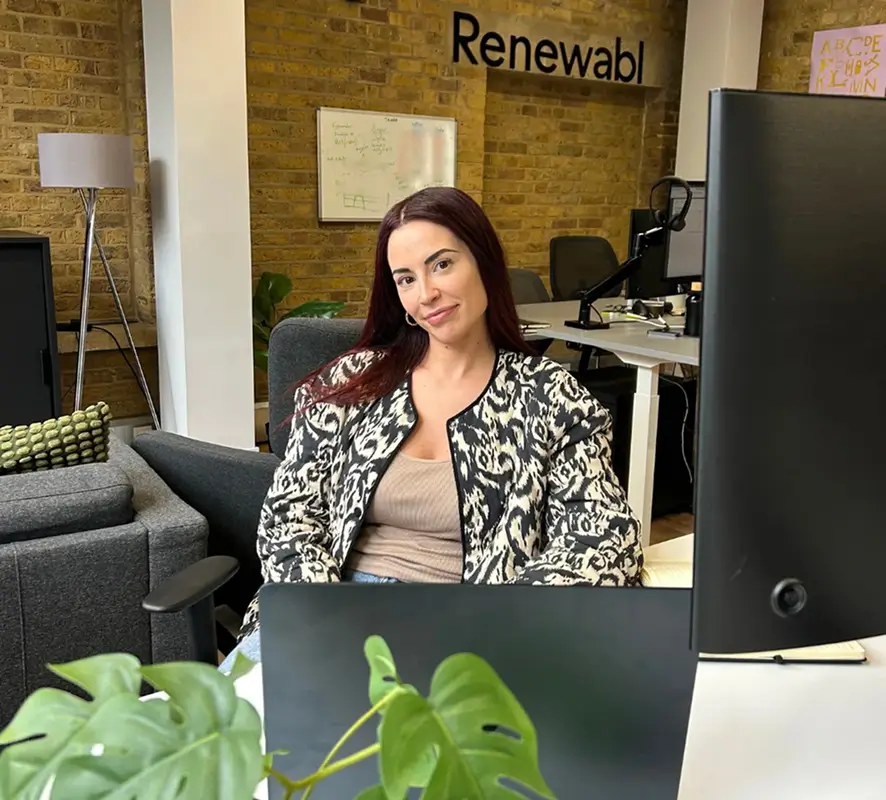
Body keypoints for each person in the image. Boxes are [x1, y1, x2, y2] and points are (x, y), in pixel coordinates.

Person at [219, 187, 642, 673]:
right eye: (406, 279)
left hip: (464, 630)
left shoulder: (550, 397)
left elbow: (604, 534)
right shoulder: (350, 384)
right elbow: (289, 514)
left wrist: (496, 625)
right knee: (223, 740)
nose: (426, 294)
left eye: (441, 264)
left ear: (484, 261)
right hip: (330, 610)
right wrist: (324, 615)